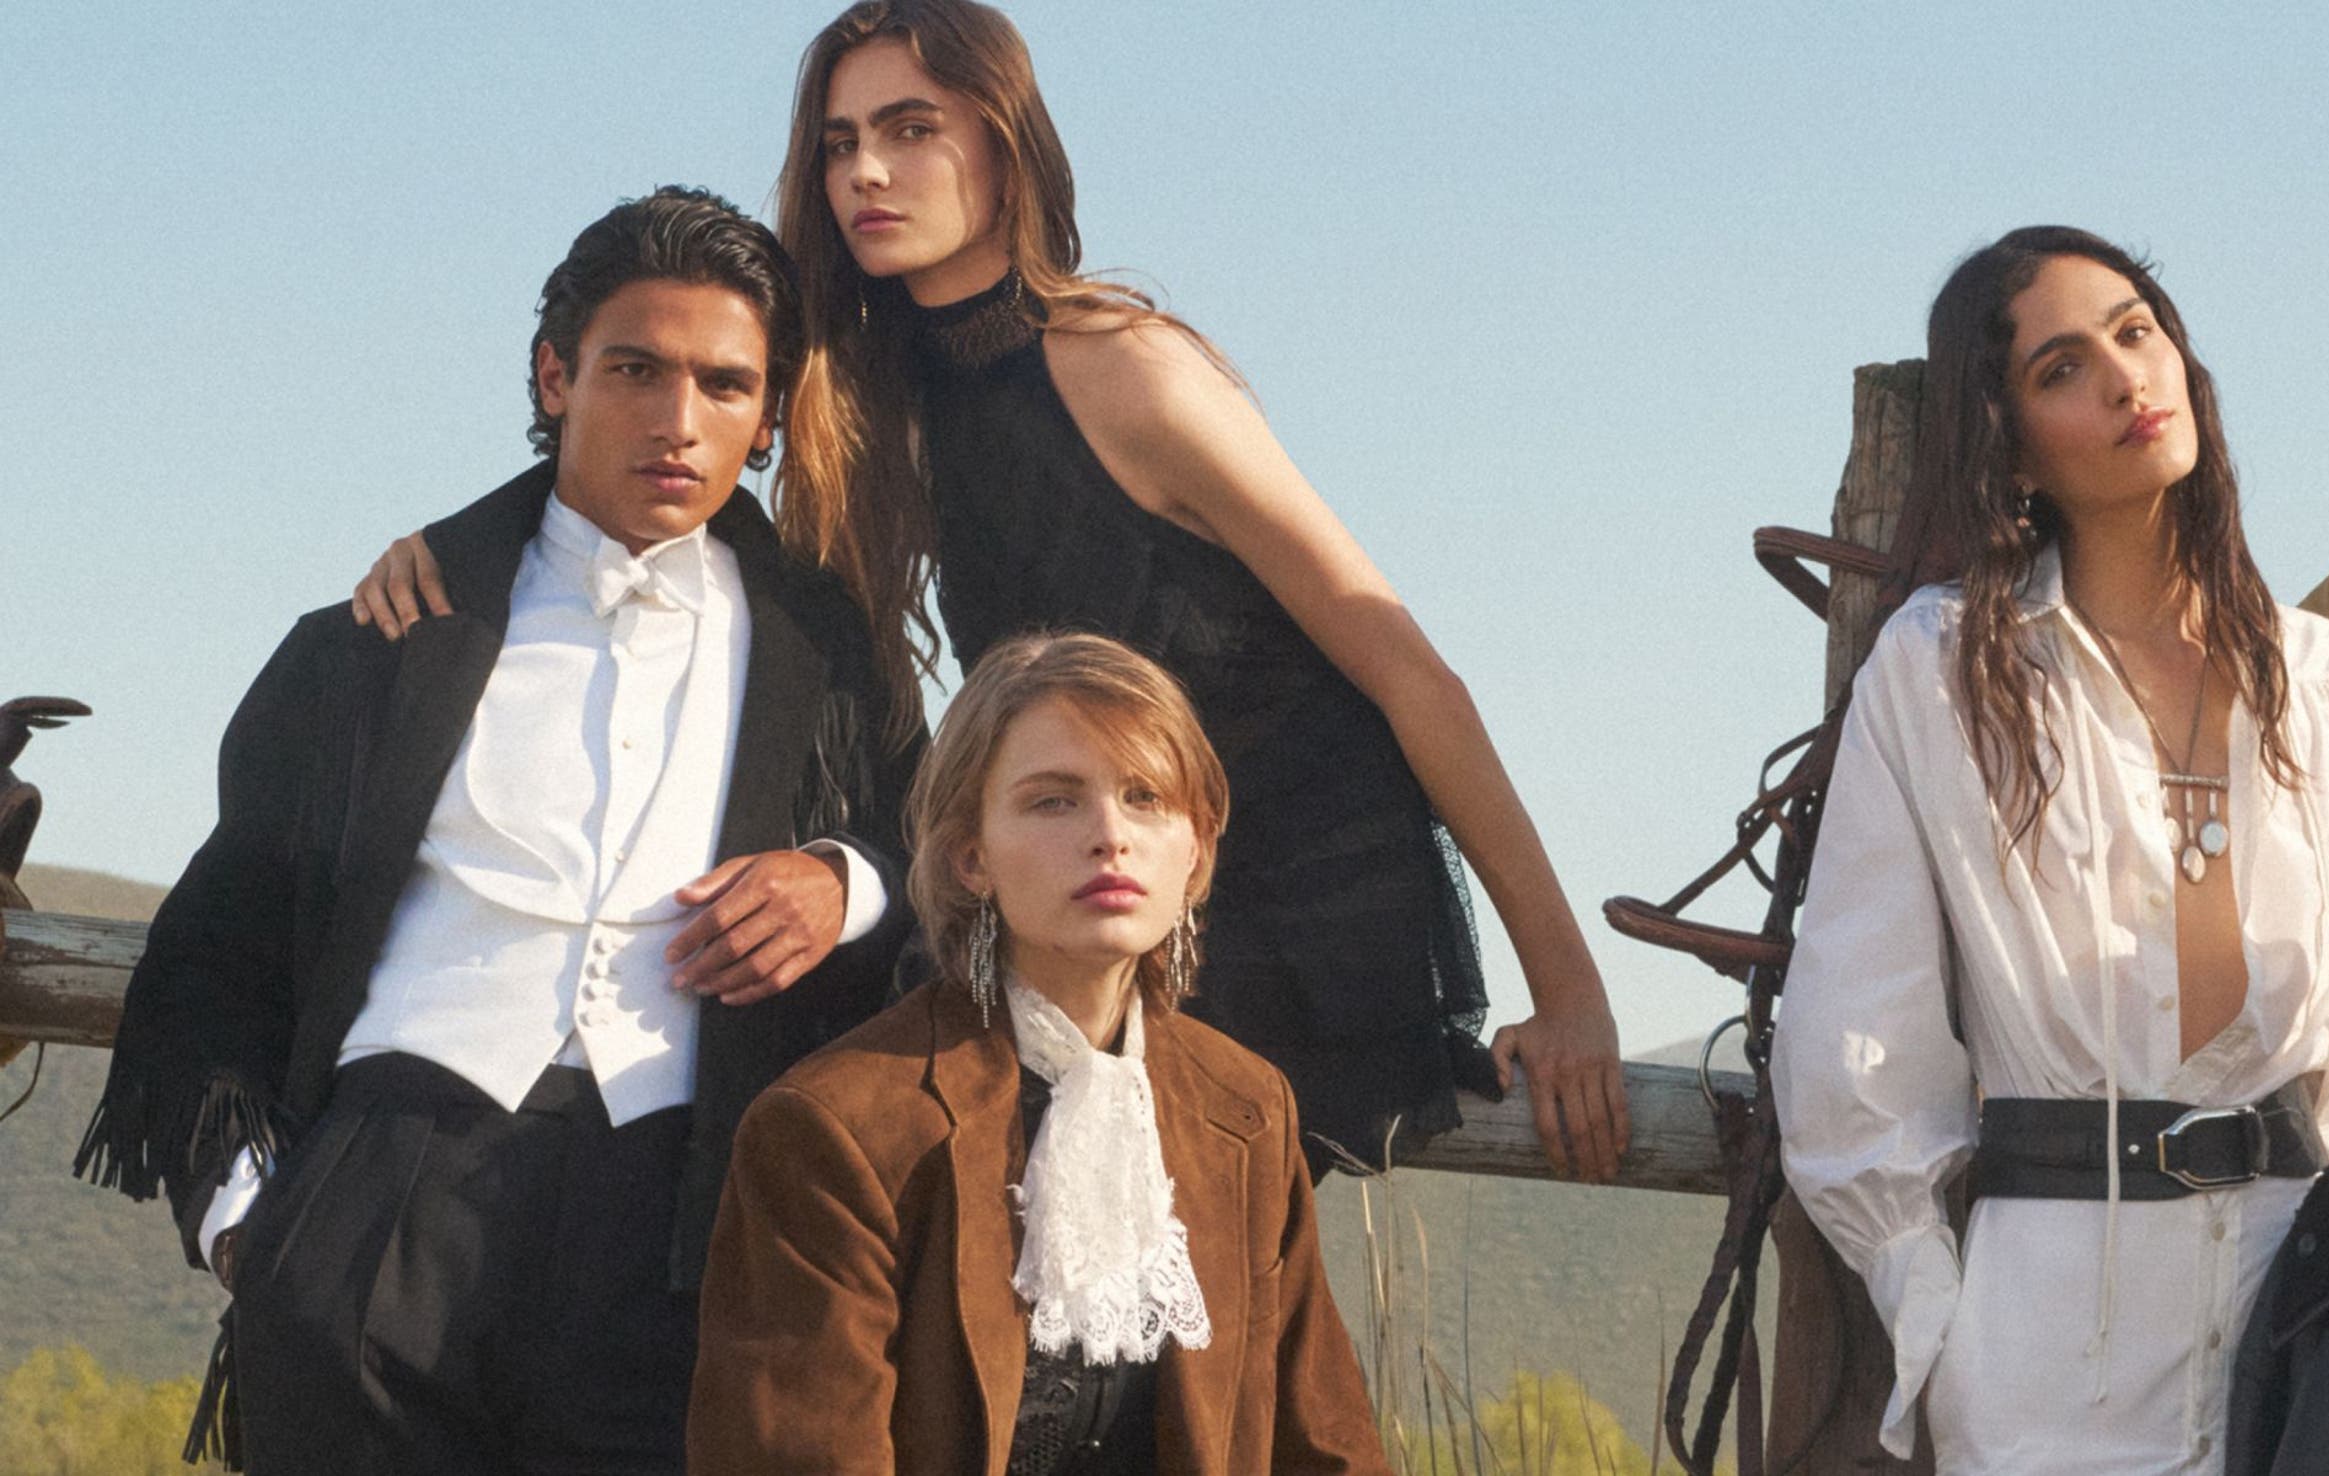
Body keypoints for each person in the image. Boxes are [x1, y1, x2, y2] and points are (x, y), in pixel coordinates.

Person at [357, 0, 1629, 1182]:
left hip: (1290, 891)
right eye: (840, 141)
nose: (863, 171)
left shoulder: (1126, 365)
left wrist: (1567, 992)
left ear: (1004, 147)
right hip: (1084, 878)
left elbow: (1408, 667)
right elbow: (666, 473)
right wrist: (475, 544)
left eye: (911, 131)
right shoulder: (865, 409)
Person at [76, 188, 920, 1474]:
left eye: (723, 383)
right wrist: (249, 1226)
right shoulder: (386, 639)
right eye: (634, 369)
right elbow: (218, 944)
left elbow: (945, 853)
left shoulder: (831, 657)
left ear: (764, 417)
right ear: (554, 373)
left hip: (682, 1228)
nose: (676, 420)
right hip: (377, 1202)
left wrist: (841, 883)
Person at [1771, 224, 2329, 1472]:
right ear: (2010, 447)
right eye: (2060, 367)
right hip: (2047, 1353)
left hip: (2303, 1329)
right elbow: (1851, 1050)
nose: (2120, 376)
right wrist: (1936, 1321)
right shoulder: (1940, 676)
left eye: (2135, 331)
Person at [686, 631, 1388, 1474]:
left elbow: (1326, 1445)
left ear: (1195, 852)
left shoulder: (1246, 1107)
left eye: (1146, 798)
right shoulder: (836, 1129)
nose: (1109, 836)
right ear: (970, 856)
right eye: (1053, 801)